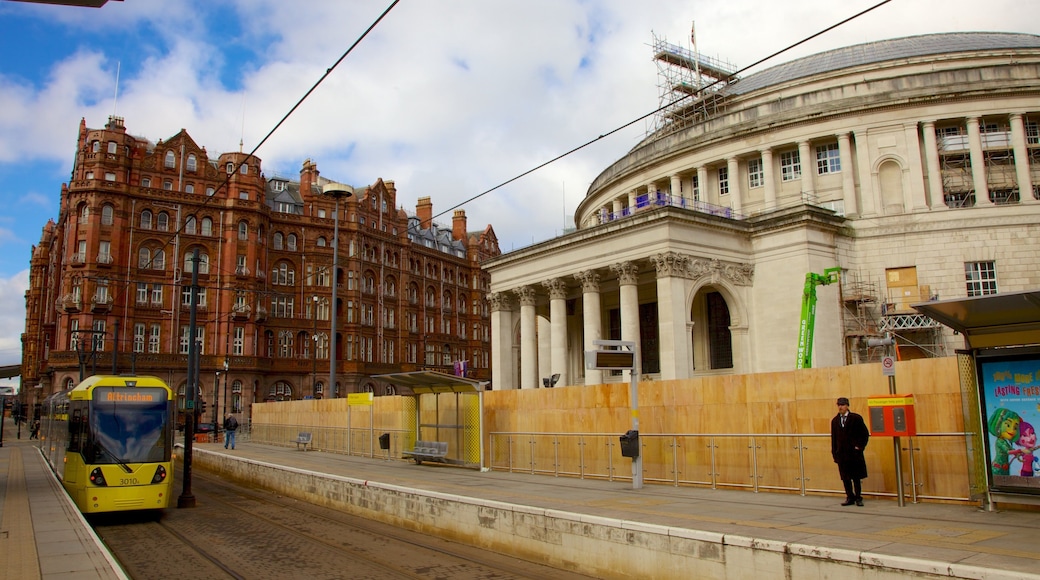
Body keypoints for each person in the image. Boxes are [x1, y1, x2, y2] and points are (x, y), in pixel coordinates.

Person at [831, 397, 869, 506]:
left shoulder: (855, 418)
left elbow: (864, 434)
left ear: (847, 406)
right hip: (842, 453)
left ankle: (858, 497)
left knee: (856, 477)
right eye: (839, 405)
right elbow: (834, 438)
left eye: (842, 405)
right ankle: (849, 496)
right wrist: (835, 452)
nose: (840, 407)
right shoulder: (835, 421)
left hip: (854, 453)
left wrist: (859, 446)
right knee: (845, 477)